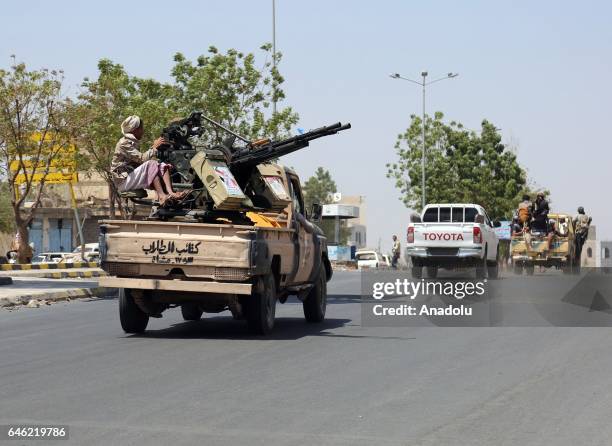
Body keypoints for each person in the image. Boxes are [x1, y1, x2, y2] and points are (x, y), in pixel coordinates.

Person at [111, 115, 186, 206]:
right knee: (151, 164)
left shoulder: (133, 142)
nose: (143, 131)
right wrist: (154, 147)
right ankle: (162, 196)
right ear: (135, 129)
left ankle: (171, 193)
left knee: (162, 165)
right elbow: (142, 159)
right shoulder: (124, 143)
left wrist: (155, 148)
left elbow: (139, 161)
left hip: (130, 178)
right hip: (123, 181)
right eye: (141, 128)